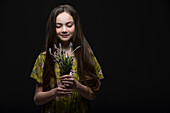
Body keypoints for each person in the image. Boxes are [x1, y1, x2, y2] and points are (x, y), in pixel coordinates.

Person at [30, 4, 104, 113]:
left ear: (76, 26)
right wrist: (54, 92)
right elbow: (37, 99)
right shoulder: (44, 58)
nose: (64, 30)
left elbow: (92, 95)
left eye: (69, 25)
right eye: (58, 26)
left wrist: (76, 86)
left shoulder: (86, 55)